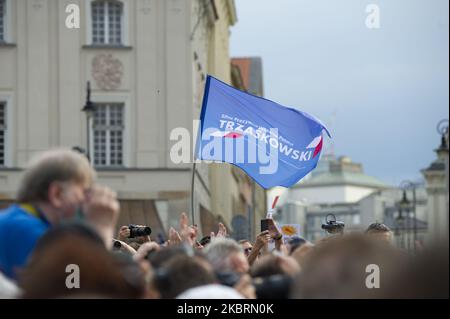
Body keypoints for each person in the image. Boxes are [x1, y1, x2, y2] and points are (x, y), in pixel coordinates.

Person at [0, 149, 120, 279]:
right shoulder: (28, 231)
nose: (85, 200)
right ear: (56, 194)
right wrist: (102, 228)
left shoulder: (16, 221)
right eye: (83, 191)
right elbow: (77, 287)